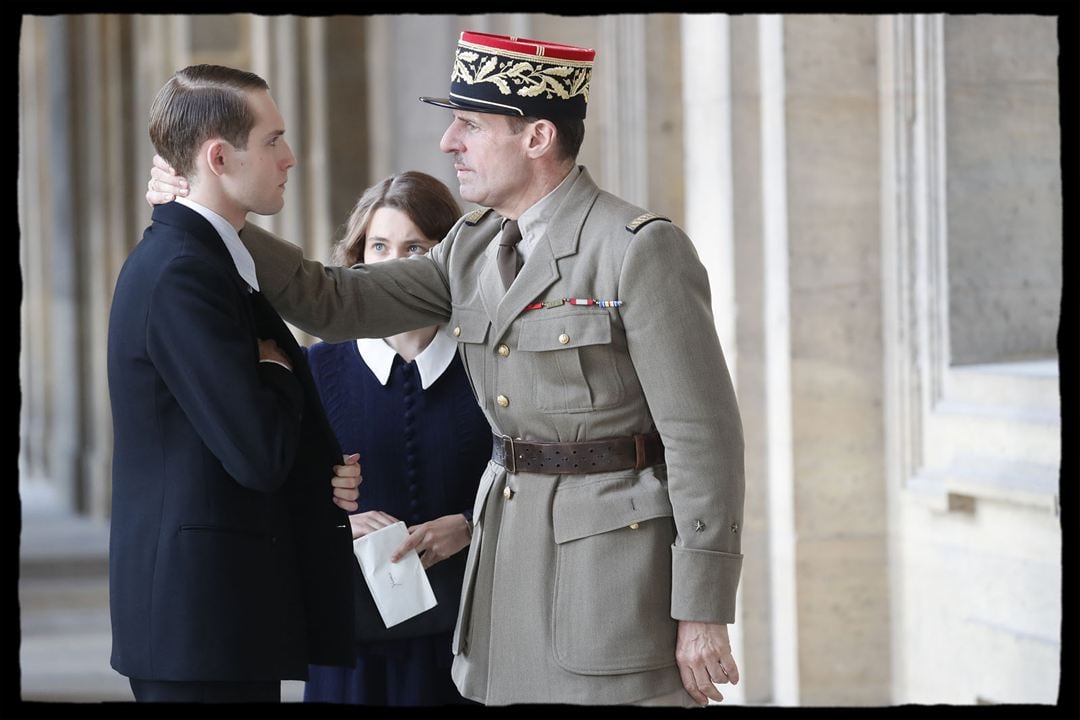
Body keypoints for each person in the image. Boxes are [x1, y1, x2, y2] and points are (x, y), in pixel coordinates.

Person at [147, 31, 744, 707]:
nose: (447, 142)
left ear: (538, 137)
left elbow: (704, 437)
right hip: (506, 567)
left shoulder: (638, 250)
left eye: (469, 124)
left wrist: (703, 606)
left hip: (611, 571)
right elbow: (334, 301)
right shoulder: (473, 247)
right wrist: (212, 212)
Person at [109, 64, 360, 703]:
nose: (290, 157)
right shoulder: (184, 273)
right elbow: (257, 452)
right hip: (198, 621)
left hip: (217, 618)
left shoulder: (206, 258)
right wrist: (276, 364)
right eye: (273, 140)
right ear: (219, 157)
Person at [301, 172, 490, 706]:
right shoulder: (318, 367)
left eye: (415, 247)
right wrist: (335, 521)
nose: (394, 263)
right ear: (358, 257)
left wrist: (473, 527)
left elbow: (528, 479)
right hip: (352, 641)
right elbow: (279, 488)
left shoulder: (487, 367)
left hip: (469, 637)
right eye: (379, 246)